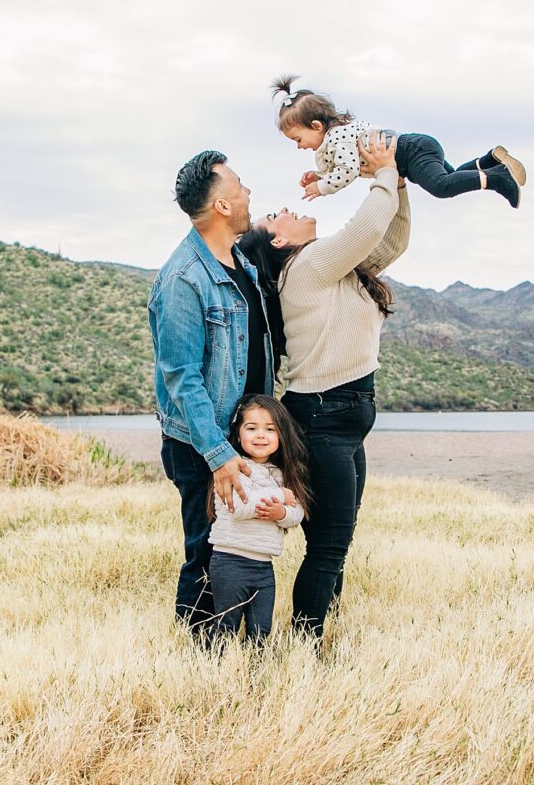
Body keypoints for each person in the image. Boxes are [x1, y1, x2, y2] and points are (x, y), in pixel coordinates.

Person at [238, 133, 410, 639]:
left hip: (342, 419)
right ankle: (306, 645)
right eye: (277, 215)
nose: (288, 208)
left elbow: (390, 240)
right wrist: (379, 172)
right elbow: (365, 226)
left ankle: (317, 636)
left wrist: (396, 181)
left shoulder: (330, 270)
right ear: (279, 240)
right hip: (324, 419)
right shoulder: (309, 265)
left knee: (336, 541)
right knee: (329, 544)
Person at [148, 150, 275, 637]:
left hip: (235, 438)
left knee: (241, 545)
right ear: (222, 205)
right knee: (206, 550)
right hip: (204, 444)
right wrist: (219, 455)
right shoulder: (184, 278)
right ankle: (197, 654)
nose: (248, 195)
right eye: (240, 187)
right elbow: (182, 376)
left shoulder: (237, 260)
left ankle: (229, 645)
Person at [271, 74, 526, 209]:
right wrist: (318, 176)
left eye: (298, 139)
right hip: (415, 147)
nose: (299, 146)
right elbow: (340, 166)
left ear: (316, 126)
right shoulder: (338, 137)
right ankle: (488, 160)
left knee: (441, 186)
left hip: (410, 152)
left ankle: (498, 177)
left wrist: (322, 187)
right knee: (453, 177)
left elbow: (347, 170)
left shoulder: (337, 137)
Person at [207, 394, 311, 642]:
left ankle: (255, 673)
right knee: (225, 625)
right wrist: (279, 495)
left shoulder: (282, 473)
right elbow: (241, 507)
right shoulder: (233, 467)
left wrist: (282, 512)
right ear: (238, 433)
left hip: (264, 565)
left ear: (281, 436)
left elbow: (297, 513)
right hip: (230, 561)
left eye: (270, 429)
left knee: (261, 630)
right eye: (251, 428)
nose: (260, 435)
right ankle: (212, 670)